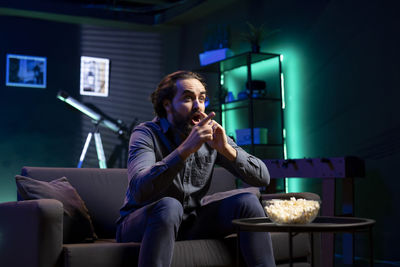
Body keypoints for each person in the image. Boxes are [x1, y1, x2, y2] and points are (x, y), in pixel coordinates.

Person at [116, 70, 276, 267]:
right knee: (170, 206)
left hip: (190, 222)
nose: (198, 106)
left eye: (201, 99)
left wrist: (225, 149)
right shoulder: (145, 133)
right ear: (167, 105)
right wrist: (185, 149)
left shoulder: (211, 136)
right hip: (141, 223)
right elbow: (140, 189)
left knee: (248, 202)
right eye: (188, 99)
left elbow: (263, 178)